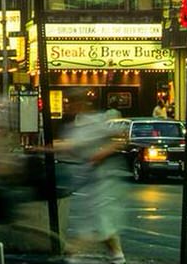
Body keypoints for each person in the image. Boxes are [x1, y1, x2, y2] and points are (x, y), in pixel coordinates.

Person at [57, 105, 125, 264]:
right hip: (89, 180)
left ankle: (73, 252)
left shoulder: (97, 121)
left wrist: (101, 154)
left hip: (103, 180)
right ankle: (117, 255)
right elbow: (71, 146)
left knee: (98, 220)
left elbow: (120, 138)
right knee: (99, 221)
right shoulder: (77, 126)